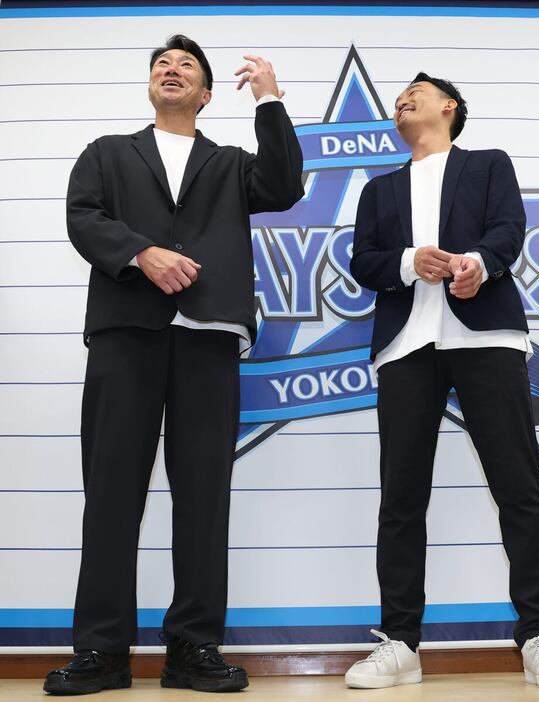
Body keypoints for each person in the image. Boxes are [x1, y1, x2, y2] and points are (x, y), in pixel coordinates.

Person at [43, 35, 303, 695]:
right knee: (110, 494)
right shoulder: (107, 153)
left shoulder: (231, 164)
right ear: (150, 84)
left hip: (208, 338)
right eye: (162, 63)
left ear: (207, 94)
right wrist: (141, 253)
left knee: (204, 497)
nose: (171, 68)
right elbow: (83, 216)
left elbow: (284, 186)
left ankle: (193, 648)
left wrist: (270, 100)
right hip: (125, 333)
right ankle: (102, 651)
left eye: (187, 65)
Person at [344, 73, 539, 690]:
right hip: (405, 347)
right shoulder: (378, 188)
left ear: (449, 106)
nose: (403, 99)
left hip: (487, 340)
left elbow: (508, 230)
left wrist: (476, 263)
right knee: (401, 498)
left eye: (416, 91)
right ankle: (400, 642)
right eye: (399, 98)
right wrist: (408, 262)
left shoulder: (488, 164)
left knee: (518, 488)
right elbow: (363, 261)